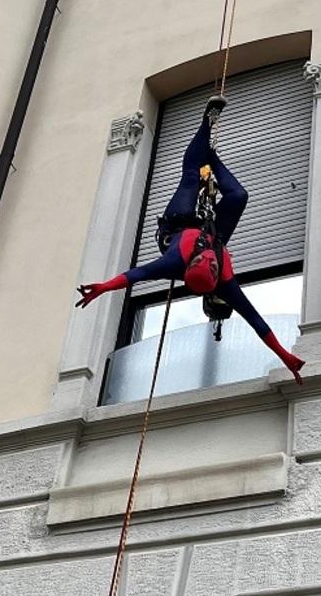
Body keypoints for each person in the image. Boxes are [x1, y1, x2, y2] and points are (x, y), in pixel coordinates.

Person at [77, 98, 305, 383]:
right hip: (212, 234)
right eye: (212, 267)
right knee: (238, 197)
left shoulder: (173, 262)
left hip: (178, 225)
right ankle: (212, 156)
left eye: (203, 263)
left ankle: (206, 123)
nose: (210, 262)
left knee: (190, 176)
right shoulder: (225, 280)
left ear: (189, 265)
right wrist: (286, 356)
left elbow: (135, 275)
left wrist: (103, 287)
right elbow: (256, 321)